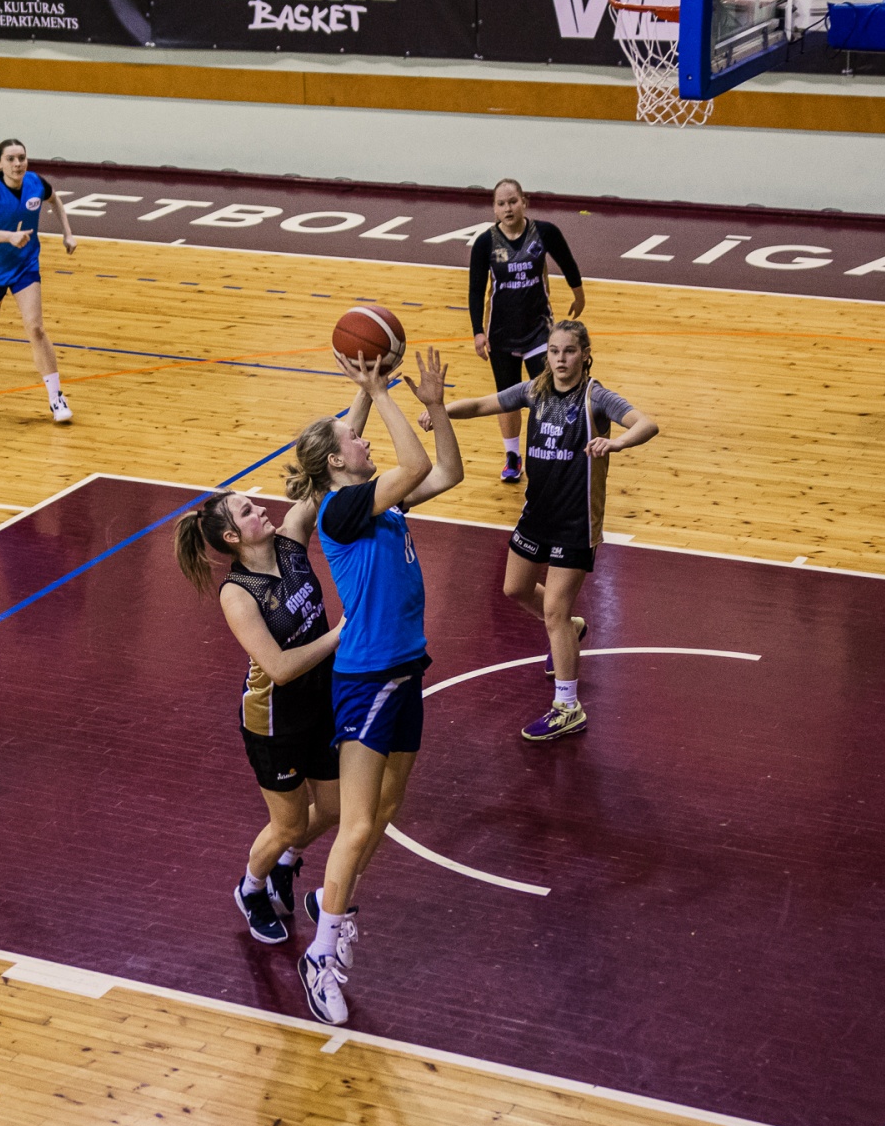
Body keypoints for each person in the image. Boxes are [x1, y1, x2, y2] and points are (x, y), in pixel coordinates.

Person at [285, 348, 463, 1026]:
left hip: (405, 668)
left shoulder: (379, 508)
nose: (363, 439)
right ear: (336, 461)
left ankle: (330, 903)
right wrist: (380, 391)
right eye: (352, 437)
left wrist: (437, 407)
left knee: (384, 810)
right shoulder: (341, 510)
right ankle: (321, 955)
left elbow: (446, 471)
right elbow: (412, 466)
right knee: (357, 823)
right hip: (367, 679)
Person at [432, 321, 657, 740]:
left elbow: (646, 423)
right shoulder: (534, 391)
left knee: (554, 611)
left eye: (569, 351)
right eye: (554, 351)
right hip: (536, 515)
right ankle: (572, 629)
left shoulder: (596, 397)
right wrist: (438, 410)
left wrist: (618, 443)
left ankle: (568, 707)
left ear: (585, 355)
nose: (560, 359)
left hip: (575, 522)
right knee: (514, 588)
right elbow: (481, 405)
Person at [175, 492, 345, 944]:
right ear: (232, 537)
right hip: (274, 722)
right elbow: (281, 668)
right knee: (289, 824)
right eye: (248, 511)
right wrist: (340, 635)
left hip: (320, 703)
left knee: (334, 808)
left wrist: (347, 448)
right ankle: (250, 889)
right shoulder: (237, 594)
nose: (262, 510)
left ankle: (284, 865)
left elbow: (322, 479)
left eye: (254, 504)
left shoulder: (291, 539)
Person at [469, 178, 585, 482]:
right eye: (501, 203)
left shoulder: (544, 232)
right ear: (494, 209)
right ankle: (512, 455)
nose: (508, 208)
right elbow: (476, 290)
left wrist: (578, 294)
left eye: (513, 201)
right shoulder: (485, 243)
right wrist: (478, 331)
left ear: (524, 202)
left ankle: (548, 452)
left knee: (547, 395)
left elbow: (567, 262)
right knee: (507, 399)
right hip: (501, 335)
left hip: (539, 332)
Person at [0, 138, 79, 424]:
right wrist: (8, 237)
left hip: (25, 265)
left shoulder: (36, 183)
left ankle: (56, 398)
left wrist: (67, 233)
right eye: (11, 159)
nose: (18, 164)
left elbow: (55, 200)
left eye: (22, 158)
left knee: (36, 328)